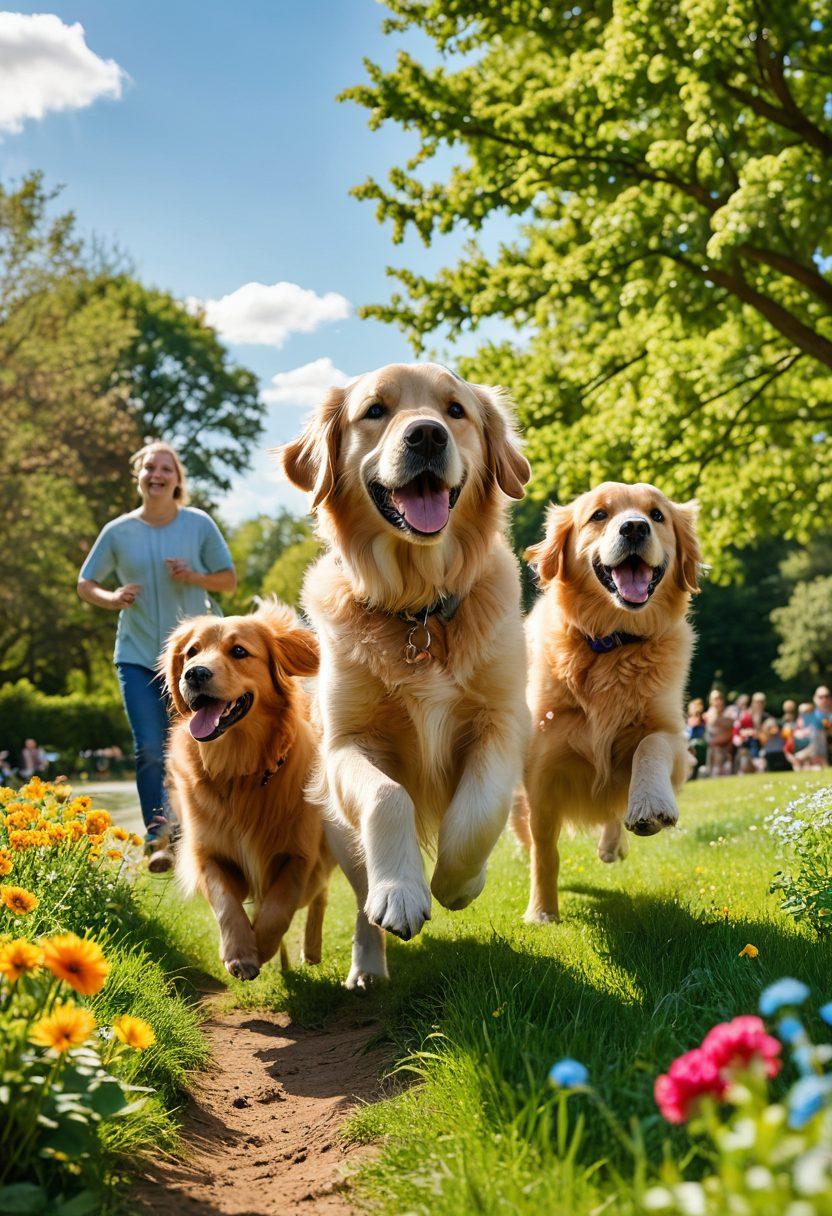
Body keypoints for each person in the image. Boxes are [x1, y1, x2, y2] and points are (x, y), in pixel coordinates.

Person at [77, 441, 236, 871]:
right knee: (150, 748)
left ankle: (204, 828)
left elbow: (229, 582)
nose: (157, 474)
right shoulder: (118, 531)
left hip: (195, 662)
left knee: (203, 744)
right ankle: (158, 836)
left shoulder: (198, 525)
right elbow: (85, 581)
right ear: (140, 476)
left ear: (177, 479)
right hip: (138, 655)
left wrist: (194, 576)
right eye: (150, 467)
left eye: (166, 468)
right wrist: (112, 597)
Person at [704, 689, 733, 777]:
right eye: (714, 699)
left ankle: (716, 774)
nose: (717, 701)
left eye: (719, 698)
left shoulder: (729, 711)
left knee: (717, 750)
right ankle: (711, 774)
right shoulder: (710, 712)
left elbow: (730, 726)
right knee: (713, 750)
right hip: (712, 745)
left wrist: (717, 718)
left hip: (726, 745)